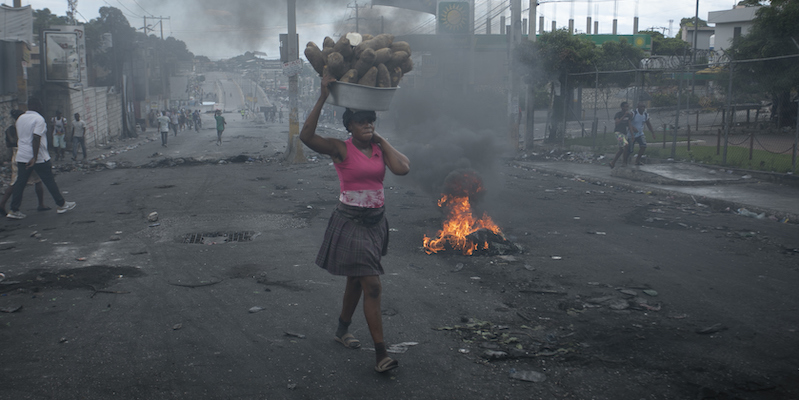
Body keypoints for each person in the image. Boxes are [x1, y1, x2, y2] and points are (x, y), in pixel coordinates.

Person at [300, 72, 410, 373]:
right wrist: (323, 96)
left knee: (356, 280)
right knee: (372, 285)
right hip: (351, 222)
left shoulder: (377, 149)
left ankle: (341, 330)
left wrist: (381, 139)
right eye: (361, 121)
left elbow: (403, 168)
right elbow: (306, 137)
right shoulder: (341, 149)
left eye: (371, 121)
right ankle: (381, 354)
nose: (368, 125)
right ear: (348, 125)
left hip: (376, 223)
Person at [6, 97, 76, 219]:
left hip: (22, 156)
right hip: (38, 157)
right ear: (37, 106)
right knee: (49, 180)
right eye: (40, 104)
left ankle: (13, 210)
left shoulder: (20, 119)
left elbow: (21, 137)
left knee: (20, 183)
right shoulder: (39, 119)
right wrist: (34, 157)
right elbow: (36, 138)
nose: (42, 107)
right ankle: (61, 204)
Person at [0, 109, 48, 215]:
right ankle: (38, 204)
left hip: (17, 155)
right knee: (31, 180)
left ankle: (3, 204)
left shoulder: (10, 129)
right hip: (27, 155)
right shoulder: (25, 126)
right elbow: (35, 139)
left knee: (18, 181)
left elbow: (8, 144)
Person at [609, 102, 632, 169]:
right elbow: (617, 123)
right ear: (622, 107)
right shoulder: (618, 114)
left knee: (622, 149)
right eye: (625, 107)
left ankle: (613, 162)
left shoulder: (629, 115)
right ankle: (624, 162)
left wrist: (632, 134)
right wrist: (624, 116)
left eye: (627, 107)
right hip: (618, 133)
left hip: (624, 133)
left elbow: (629, 124)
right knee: (626, 145)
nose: (626, 108)